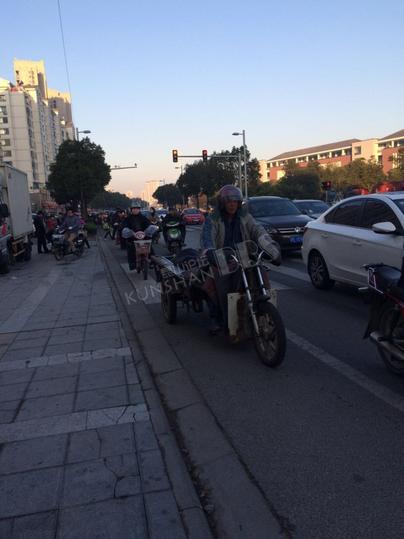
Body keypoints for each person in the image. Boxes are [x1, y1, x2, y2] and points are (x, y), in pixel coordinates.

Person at [200, 185, 281, 334]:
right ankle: (217, 316)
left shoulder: (245, 216)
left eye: (235, 201)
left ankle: (265, 309)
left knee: (261, 272)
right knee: (215, 283)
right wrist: (209, 251)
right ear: (222, 203)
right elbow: (207, 238)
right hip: (220, 256)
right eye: (228, 201)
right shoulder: (213, 218)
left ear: (239, 203)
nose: (232, 204)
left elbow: (258, 230)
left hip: (243, 255)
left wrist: (271, 248)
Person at [123, 204, 150, 270]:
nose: (135, 210)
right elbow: (124, 226)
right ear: (131, 210)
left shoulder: (143, 217)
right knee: (130, 249)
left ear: (139, 210)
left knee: (150, 247)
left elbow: (149, 224)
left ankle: (152, 262)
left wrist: (148, 230)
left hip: (143, 236)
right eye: (134, 209)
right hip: (132, 237)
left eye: (137, 209)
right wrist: (130, 232)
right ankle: (132, 264)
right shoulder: (128, 218)